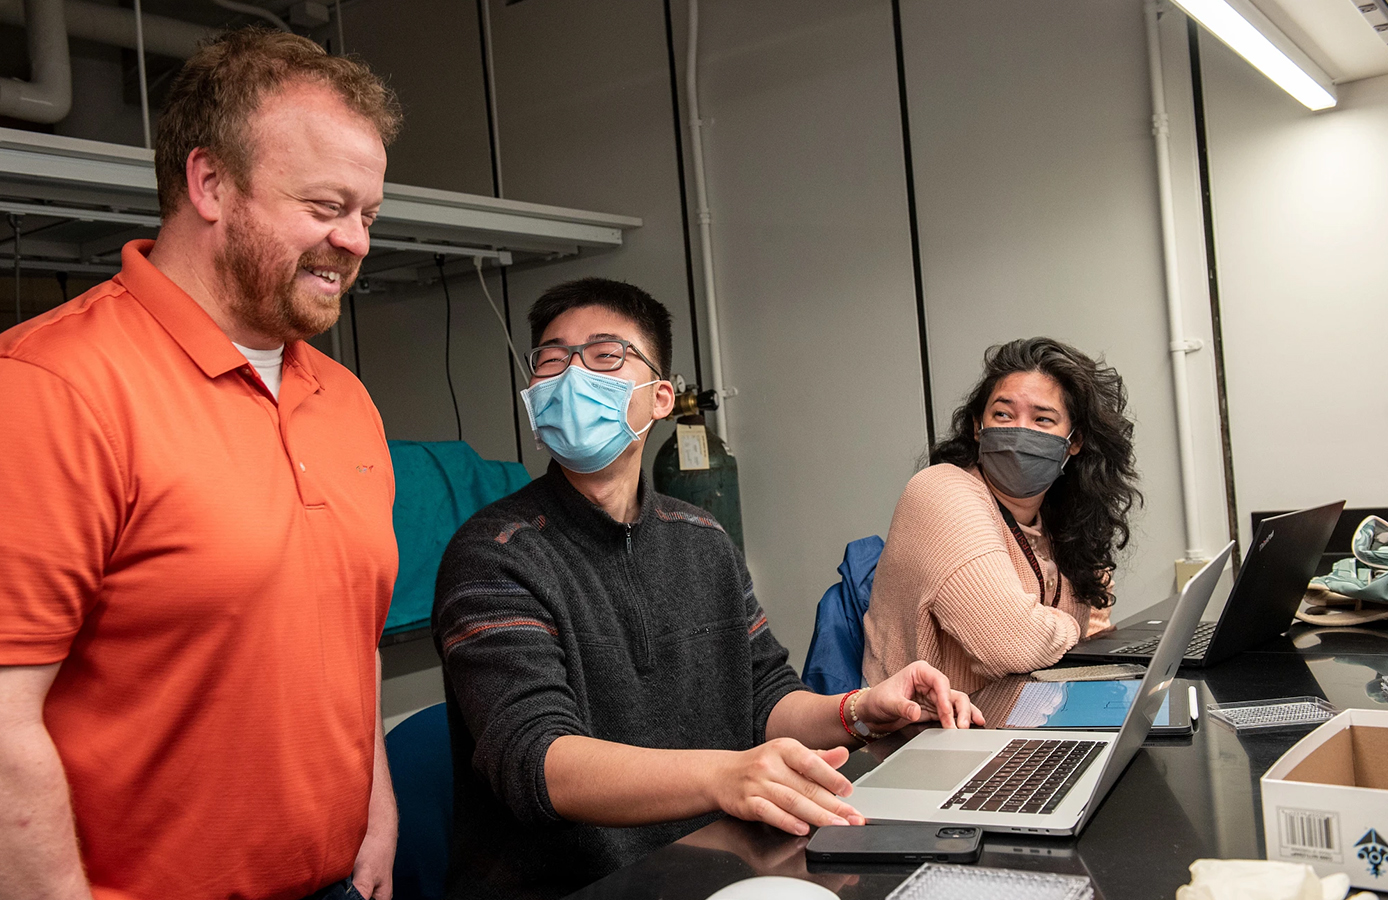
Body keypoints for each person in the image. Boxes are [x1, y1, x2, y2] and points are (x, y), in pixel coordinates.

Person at [0, 30, 403, 900]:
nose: (357, 241)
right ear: (210, 183)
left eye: (369, 213)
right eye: (328, 206)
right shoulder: (49, 389)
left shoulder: (346, 401)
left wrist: (376, 807)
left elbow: (352, 639)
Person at [432, 278, 982, 900]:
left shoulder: (701, 537)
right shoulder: (493, 553)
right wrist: (727, 775)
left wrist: (858, 710)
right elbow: (536, 758)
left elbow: (764, 699)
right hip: (574, 885)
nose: (572, 376)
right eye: (552, 360)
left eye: (605, 355)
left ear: (660, 396)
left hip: (718, 866)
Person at [863, 337, 1142, 694]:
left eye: (1042, 419)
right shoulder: (940, 490)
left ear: (1074, 441)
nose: (1018, 431)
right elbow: (1012, 644)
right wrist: (1071, 626)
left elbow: (1095, 626)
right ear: (979, 427)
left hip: (1023, 722)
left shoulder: (1061, 520)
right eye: (1003, 414)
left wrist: (1049, 625)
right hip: (925, 736)